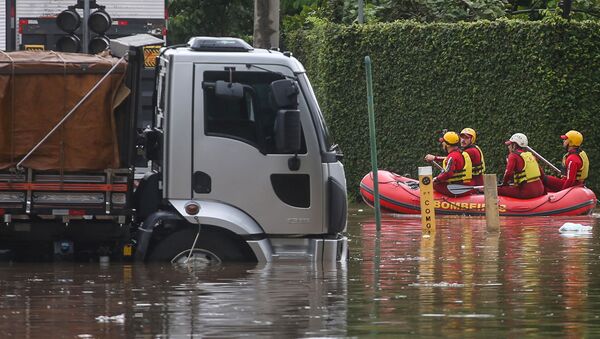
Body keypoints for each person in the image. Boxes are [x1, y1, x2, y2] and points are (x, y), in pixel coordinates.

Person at [425, 131, 473, 197]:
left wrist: (436, 179)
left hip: (457, 188)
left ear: (447, 144)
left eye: (443, 142)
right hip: (465, 186)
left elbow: (447, 173)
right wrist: (435, 158)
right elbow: (448, 160)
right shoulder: (460, 153)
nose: (442, 144)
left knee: (432, 184)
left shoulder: (452, 156)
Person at [498, 133, 545, 199]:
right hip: (540, 189)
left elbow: (508, 173)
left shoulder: (513, 155)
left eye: (510, 144)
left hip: (528, 192)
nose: (508, 146)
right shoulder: (530, 155)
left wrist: (504, 184)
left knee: (498, 190)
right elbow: (542, 174)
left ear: (514, 145)